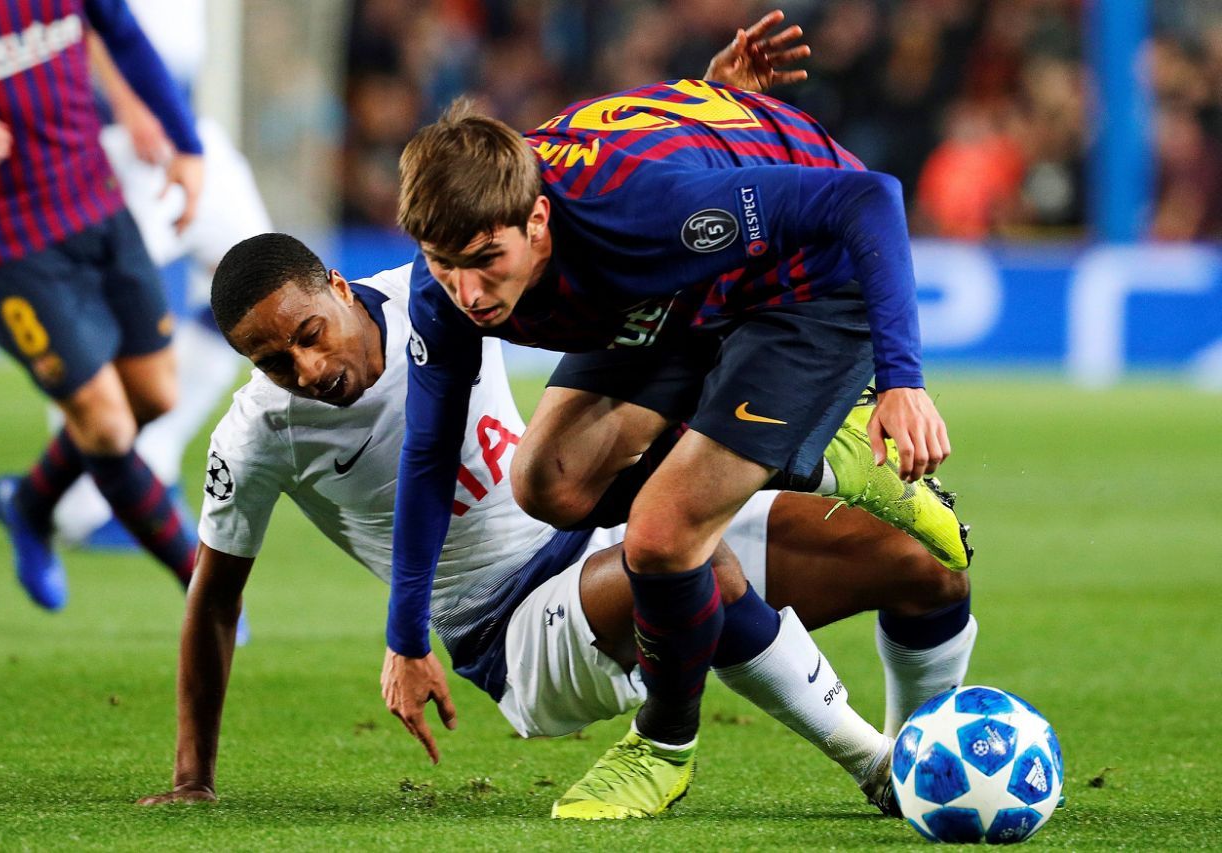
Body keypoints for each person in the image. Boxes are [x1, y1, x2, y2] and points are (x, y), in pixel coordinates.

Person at [135, 235, 975, 816]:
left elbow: (550, 205)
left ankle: (923, 746)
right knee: (688, 559)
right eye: (272, 362)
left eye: (308, 337)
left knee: (920, 564)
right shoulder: (255, 434)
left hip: (597, 530)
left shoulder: (443, 290)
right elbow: (213, 600)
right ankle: (879, 766)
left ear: (338, 288)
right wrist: (192, 777)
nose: (305, 371)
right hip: (512, 631)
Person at [388, 16, 972, 818]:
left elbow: (869, 197)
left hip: (810, 286)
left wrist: (905, 382)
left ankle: (662, 748)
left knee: (663, 534)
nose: (470, 294)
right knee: (546, 480)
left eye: (487, 262)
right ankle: (802, 460)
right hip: (678, 294)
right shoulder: (451, 285)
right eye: (443, 266)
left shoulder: (643, 211)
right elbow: (429, 451)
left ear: (537, 221)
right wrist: (405, 634)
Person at [0, 0, 205, 610]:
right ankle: (205, 587)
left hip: (96, 206)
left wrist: (186, 143)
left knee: (154, 397)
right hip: (4, 243)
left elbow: (124, 35)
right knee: (105, 421)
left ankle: (28, 504)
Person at [50, 0, 273, 549]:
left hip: (186, 126)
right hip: (119, 137)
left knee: (260, 284)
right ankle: (79, 501)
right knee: (98, 320)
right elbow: (84, 20)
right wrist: (127, 102)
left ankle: (150, 458)